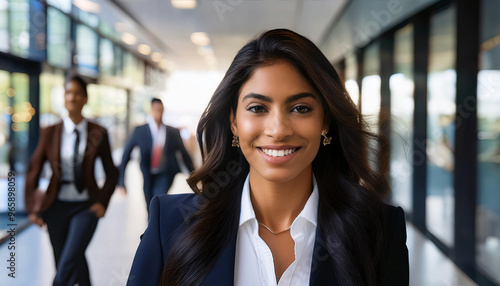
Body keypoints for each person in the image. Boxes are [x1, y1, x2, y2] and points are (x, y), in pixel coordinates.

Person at [127, 29, 409, 286]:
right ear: (234, 122)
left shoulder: (379, 230)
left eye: (300, 108)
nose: (278, 130)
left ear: (325, 121)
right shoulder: (171, 224)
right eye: (258, 108)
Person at [25, 75, 118, 286]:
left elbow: (112, 172)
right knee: (68, 261)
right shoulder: (50, 132)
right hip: (55, 207)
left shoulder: (98, 132)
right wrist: (32, 209)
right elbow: (33, 169)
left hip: (86, 207)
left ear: (85, 99)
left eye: (77, 93)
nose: (72, 97)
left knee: (69, 261)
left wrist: (103, 202)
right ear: (64, 98)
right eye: (68, 93)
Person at [118, 98, 195, 213]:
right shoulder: (140, 131)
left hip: (165, 174)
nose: (158, 112)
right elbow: (126, 155)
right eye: (156, 109)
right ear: (151, 110)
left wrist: (194, 175)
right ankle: (152, 227)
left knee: (158, 202)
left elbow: (184, 154)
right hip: (147, 173)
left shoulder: (172, 132)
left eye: (161, 109)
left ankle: (156, 227)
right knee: (149, 205)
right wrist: (121, 181)